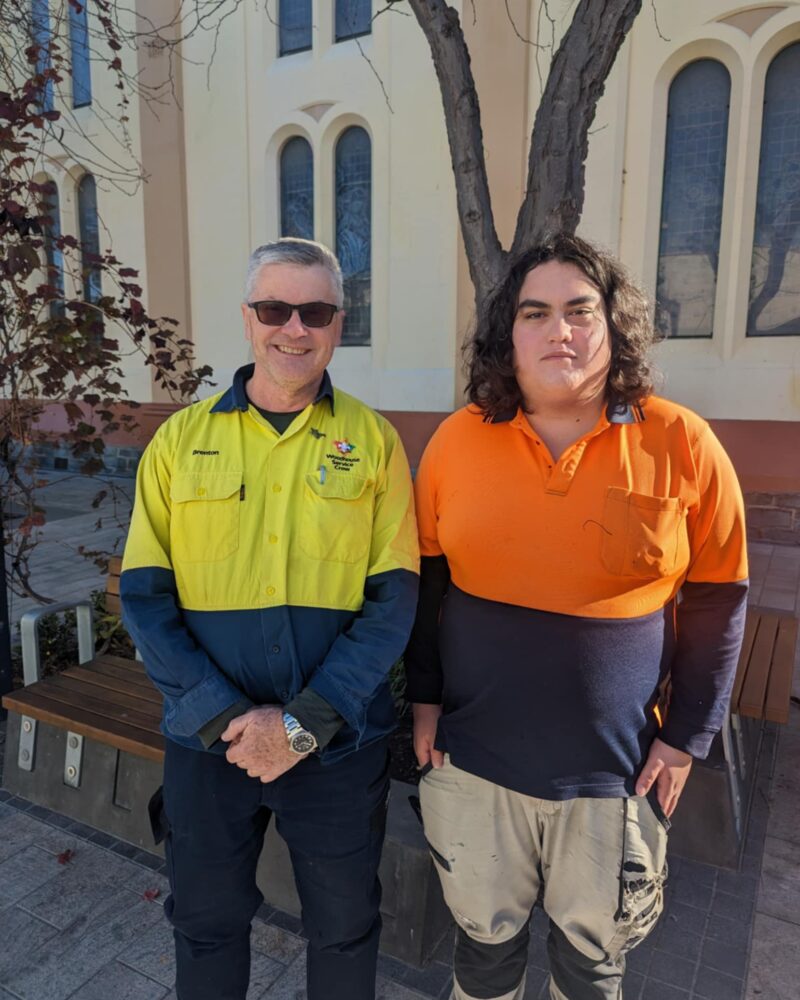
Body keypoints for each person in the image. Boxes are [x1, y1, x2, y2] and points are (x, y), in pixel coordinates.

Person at [405, 233, 748, 1000]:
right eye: (536, 313)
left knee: (590, 969)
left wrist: (687, 736)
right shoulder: (457, 442)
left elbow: (720, 601)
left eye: (579, 310)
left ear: (612, 325)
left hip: (614, 776)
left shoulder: (682, 442)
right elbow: (428, 588)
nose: (559, 330)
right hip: (475, 767)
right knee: (484, 954)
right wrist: (422, 699)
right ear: (508, 334)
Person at [120, 237, 419, 1000]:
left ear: (338, 324)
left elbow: (393, 608)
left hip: (337, 745)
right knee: (206, 922)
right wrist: (229, 718)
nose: (295, 327)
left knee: (346, 928)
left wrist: (301, 724)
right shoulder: (179, 444)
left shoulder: (376, 443)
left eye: (314, 310)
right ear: (248, 320)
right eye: (274, 308)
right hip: (207, 746)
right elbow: (146, 602)